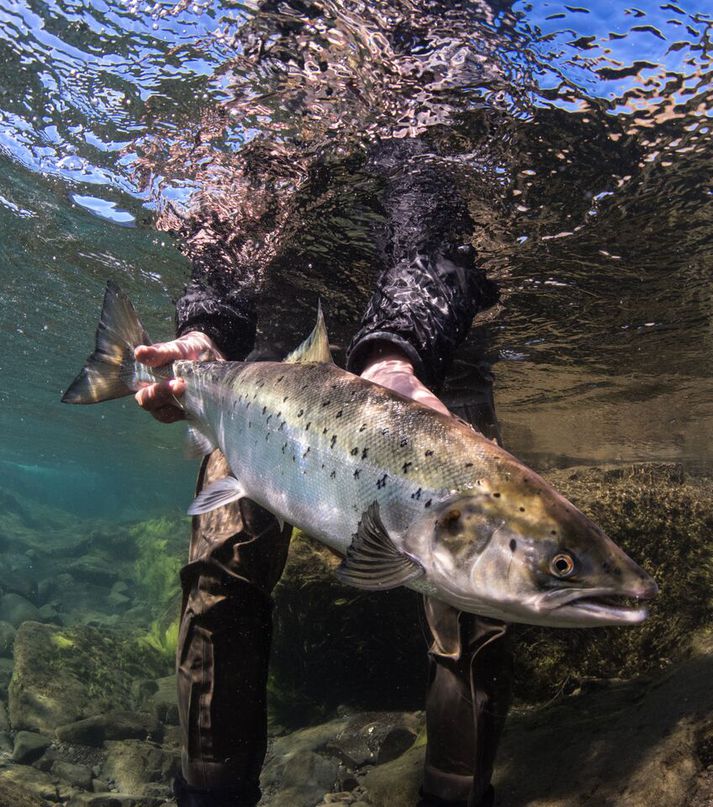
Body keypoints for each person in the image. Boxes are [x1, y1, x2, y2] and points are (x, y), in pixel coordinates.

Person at [135, 134, 512, 807]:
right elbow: (228, 228)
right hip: (273, 369)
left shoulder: (425, 91)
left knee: (481, 585)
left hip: (432, 364)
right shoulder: (260, 109)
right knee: (221, 566)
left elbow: (432, 219)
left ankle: (457, 794)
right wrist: (209, 329)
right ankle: (209, 791)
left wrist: (397, 348)